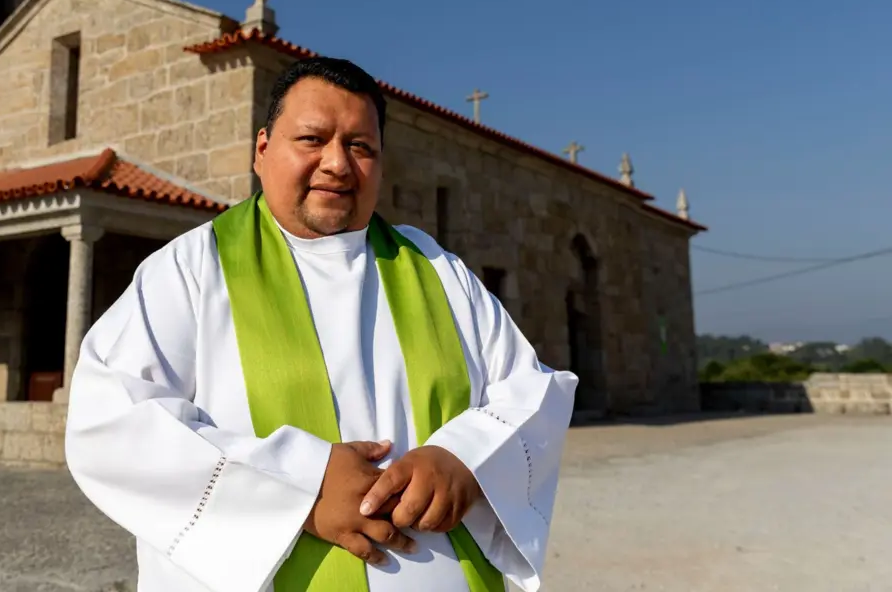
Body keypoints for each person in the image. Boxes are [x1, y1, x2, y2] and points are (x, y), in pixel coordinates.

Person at [65, 57, 578, 592]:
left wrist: (466, 461)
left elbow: (530, 389)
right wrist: (300, 486)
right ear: (262, 150)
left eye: (360, 147)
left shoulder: (436, 269)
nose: (337, 163)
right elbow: (109, 421)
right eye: (312, 139)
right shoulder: (191, 269)